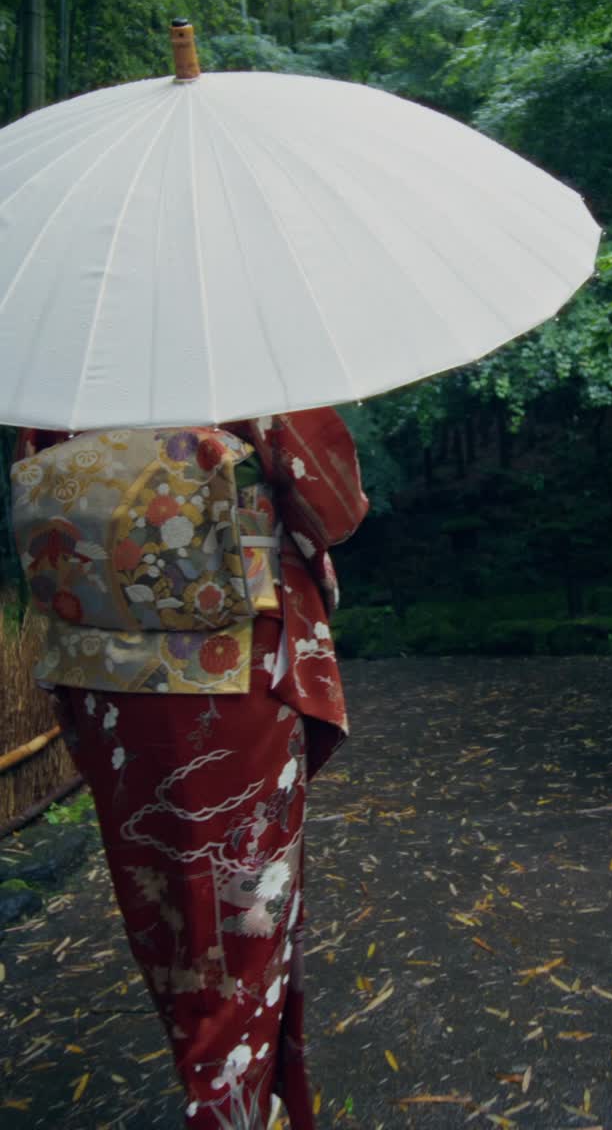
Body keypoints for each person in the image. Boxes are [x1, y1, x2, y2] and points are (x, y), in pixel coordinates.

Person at [13, 409, 368, 1130]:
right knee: (245, 899)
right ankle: (229, 1105)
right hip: (230, 665)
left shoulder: (69, 364)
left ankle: (238, 1090)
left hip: (104, 673)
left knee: (164, 901)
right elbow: (330, 501)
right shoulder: (238, 336)